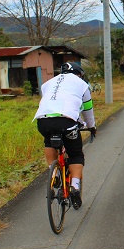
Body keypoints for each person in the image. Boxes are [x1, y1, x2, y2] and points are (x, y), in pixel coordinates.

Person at [33, 62, 96, 209]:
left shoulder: (48, 84)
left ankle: (53, 172)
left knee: (48, 141)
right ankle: (74, 186)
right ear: (80, 74)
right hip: (66, 122)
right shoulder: (81, 84)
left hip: (43, 121)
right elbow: (87, 110)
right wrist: (91, 126)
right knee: (75, 155)